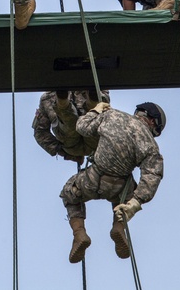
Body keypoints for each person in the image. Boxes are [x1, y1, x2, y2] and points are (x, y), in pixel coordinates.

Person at [60, 101, 166, 264]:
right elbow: (153, 175)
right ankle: (118, 227)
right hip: (121, 186)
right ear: (152, 121)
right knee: (125, 201)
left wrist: (95, 111)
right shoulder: (151, 145)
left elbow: (82, 127)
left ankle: (79, 234)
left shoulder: (111, 115)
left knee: (69, 193)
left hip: (93, 179)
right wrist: (136, 202)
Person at [32, 89, 110, 163]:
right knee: (67, 118)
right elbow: (40, 131)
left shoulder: (97, 87)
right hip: (72, 143)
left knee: (93, 111)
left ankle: (66, 103)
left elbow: (40, 132)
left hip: (91, 137)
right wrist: (61, 151)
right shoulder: (47, 98)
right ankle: (63, 102)